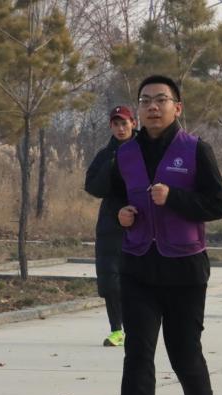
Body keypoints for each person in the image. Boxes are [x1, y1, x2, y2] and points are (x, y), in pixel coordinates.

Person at [96, 75, 222, 395]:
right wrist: (121, 214)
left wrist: (175, 198)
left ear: (177, 107)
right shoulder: (125, 153)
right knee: (138, 354)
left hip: (185, 268)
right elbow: (114, 198)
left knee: (184, 352)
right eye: (145, 101)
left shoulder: (195, 150)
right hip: (138, 265)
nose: (152, 107)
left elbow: (218, 203)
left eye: (161, 100)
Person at [85, 105, 137, 347]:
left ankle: (140, 327)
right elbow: (92, 187)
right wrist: (112, 163)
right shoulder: (105, 154)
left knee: (139, 278)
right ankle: (117, 330)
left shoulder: (146, 150)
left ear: (133, 123)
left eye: (124, 123)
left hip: (141, 218)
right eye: (116, 124)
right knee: (110, 278)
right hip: (111, 221)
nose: (120, 128)